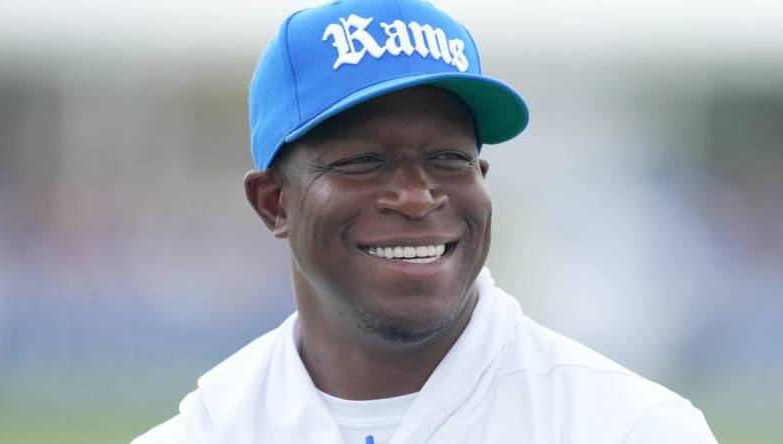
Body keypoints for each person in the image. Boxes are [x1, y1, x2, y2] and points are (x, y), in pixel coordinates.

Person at [133, 0, 718, 443]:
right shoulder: (207, 432)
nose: (417, 196)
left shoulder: (628, 429)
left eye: (449, 158)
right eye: (364, 160)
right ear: (275, 204)